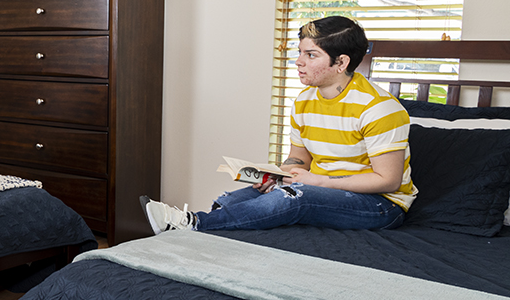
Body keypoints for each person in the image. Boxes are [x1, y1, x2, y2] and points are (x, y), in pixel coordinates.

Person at [142, 16, 417, 234]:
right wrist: (278, 173)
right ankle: (207, 226)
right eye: (300, 53)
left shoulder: (379, 108)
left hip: (380, 205)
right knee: (235, 199)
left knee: (297, 197)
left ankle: (193, 225)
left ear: (341, 62)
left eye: (311, 55)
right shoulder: (304, 101)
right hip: (320, 187)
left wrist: (318, 182)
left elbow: (388, 180)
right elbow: (299, 158)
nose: (298, 62)